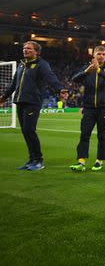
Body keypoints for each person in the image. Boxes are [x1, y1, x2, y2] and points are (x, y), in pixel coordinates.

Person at [1, 40, 67, 171]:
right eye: (24, 48)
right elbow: (14, 84)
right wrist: (3, 98)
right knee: (25, 131)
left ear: (37, 52)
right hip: (20, 101)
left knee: (30, 130)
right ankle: (31, 159)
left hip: (33, 102)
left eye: (29, 48)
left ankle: (38, 161)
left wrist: (60, 89)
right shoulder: (21, 65)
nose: (25, 50)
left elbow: (51, 77)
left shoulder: (42, 65)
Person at [70, 45, 105, 172]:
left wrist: (99, 70)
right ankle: (81, 161)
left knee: (102, 135)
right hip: (89, 108)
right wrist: (87, 71)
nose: (101, 56)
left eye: (103, 54)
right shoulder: (87, 68)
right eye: (99, 54)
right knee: (84, 134)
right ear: (94, 55)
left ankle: (99, 161)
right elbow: (74, 79)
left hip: (104, 108)